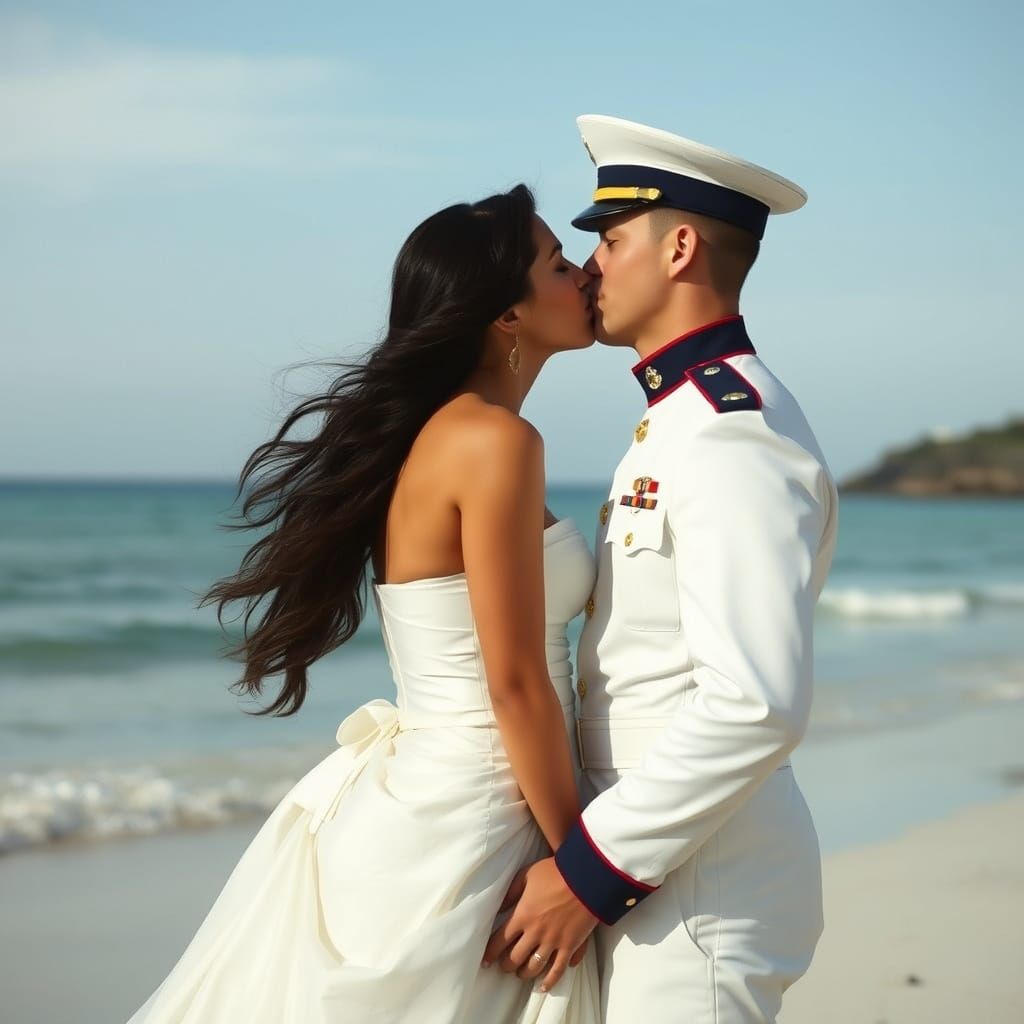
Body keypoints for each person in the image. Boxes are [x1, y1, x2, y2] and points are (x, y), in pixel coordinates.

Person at [125, 184, 603, 1023]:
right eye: (560, 264)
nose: (587, 275)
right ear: (506, 316)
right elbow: (516, 682)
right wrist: (581, 870)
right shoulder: (494, 441)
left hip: (453, 794)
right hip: (478, 812)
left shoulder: (445, 435)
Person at [484, 115, 840, 1023]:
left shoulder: (732, 432)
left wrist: (590, 875)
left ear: (679, 246)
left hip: (696, 884)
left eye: (609, 238)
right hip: (666, 862)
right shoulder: (680, 416)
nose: (590, 265)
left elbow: (755, 702)